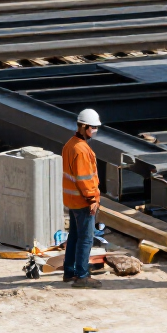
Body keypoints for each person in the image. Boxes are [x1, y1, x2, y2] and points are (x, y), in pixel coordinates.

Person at [62, 108, 102, 287]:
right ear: (84, 127)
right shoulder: (81, 150)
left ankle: (69, 272)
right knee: (86, 239)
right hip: (83, 201)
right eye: (93, 127)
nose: (95, 131)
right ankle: (82, 275)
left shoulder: (70, 145)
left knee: (74, 237)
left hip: (72, 200)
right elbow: (85, 179)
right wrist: (92, 199)